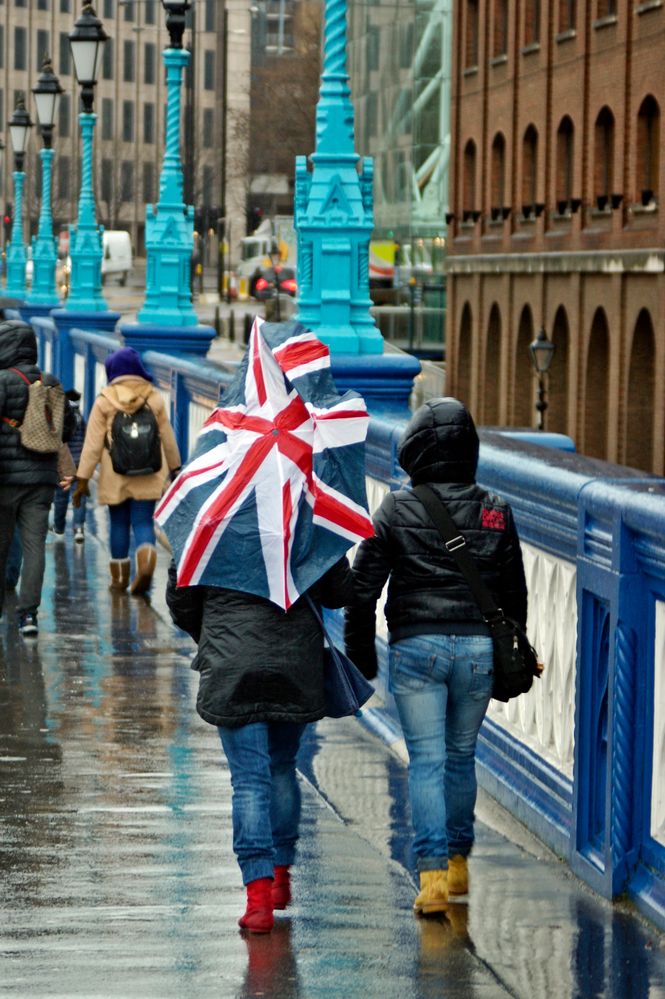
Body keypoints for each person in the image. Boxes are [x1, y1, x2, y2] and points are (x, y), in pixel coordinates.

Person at [344, 398, 527, 915]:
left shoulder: (397, 508)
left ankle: (433, 879)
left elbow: (362, 589)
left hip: (416, 647)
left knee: (426, 761)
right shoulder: (496, 510)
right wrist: (515, 648)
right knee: (461, 756)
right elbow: (514, 594)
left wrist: (361, 653)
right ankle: (459, 860)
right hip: (477, 650)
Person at [166, 557, 354, 934]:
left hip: (232, 662)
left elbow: (181, 599)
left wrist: (214, 634)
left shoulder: (208, 524)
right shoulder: (307, 523)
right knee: (282, 767)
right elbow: (339, 592)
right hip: (295, 661)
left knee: (249, 782)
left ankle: (258, 899)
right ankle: (280, 877)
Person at [73, 347, 181, 595]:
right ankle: (147, 556)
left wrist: (83, 478)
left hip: (115, 473)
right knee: (143, 520)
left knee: (119, 522)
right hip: (149, 471)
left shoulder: (104, 400)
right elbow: (168, 437)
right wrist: (176, 468)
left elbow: (92, 445)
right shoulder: (153, 398)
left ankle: (119, 579)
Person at [0, 319, 73, 637]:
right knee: (34, 547)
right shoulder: (50, 382)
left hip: (5, 479)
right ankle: (28, 615)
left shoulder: (3, 381)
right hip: (41, 480)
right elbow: (67, 428)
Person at [53, 389, 87, 543]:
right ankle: (79, 528)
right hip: (80, 462)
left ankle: (59, 527)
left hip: (64, 463)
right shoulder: (81, 418)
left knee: (60, 497)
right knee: (78, 495)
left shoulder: (62, 417)